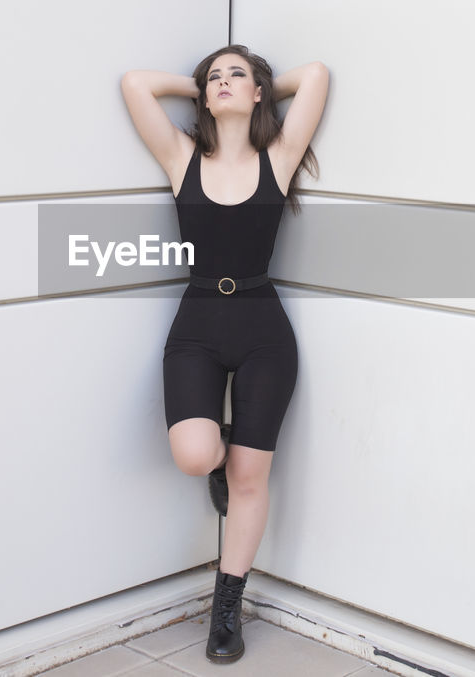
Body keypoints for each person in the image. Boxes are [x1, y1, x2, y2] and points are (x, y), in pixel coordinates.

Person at [121, 45, 329, 664]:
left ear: (261, 92)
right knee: (195, 456)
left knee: (249, 477)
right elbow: (135, 84)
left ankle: (227, 607)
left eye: (237, 75)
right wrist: (202, 86)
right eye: (215, 77)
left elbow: (313, 75)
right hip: (197, 325)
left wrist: (255, 80)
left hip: (265, 329)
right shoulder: (182, 157)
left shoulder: (280, 157)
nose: (223, 82)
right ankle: (224, 452)